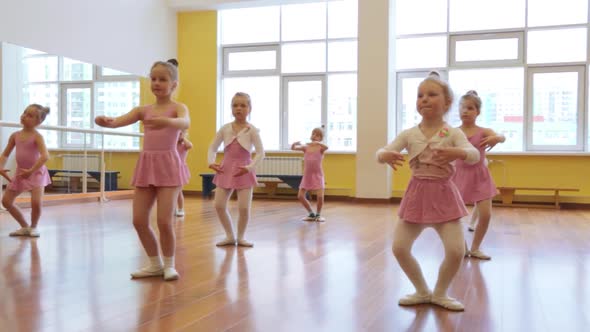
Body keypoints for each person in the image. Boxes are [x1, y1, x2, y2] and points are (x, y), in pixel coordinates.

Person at [376, 72, 479, 311]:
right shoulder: (409, 134)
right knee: (400, 248)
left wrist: (459, 153)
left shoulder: (452, 133)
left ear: (447, 103)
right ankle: (422, 290)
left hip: (444, 196)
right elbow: (382, 151)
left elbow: (472, 154)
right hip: (416, 196)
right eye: (420, 95)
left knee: (456, 251)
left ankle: (441, 293)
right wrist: (384, 156)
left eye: (432, 94)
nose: (424, 99)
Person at [95, 59, 189, 281]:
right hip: (147, 166)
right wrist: (104, 121)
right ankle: (154, 264)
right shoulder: (142, 110)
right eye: (153, 79)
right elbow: (117, 122)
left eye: (162, 79)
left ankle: (169, 265)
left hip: (169, 167)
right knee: (138, 220)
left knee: (164, 221)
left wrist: (167, 122)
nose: (156, 83)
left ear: (173, 84)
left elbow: (185, 122)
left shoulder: (177, 107)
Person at [452, 90, 505, 260]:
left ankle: (475, 248)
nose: (465, 111)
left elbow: (502, 137)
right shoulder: (453, 132)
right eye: (462, 108)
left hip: (480, 176)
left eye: (470, 108)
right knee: (454, 216)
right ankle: (463, 247)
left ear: (478, 112)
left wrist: (496, 138)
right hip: (457, 176)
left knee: (486, 215)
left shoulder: (483, 131)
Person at [208, 92, 265, 247]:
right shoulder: (225, 128)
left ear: (249, 109)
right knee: (219, 205)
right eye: (235, 105)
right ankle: (229, 236)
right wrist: (211, 162)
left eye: (243, 105)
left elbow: (261, 152)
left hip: (244, 170)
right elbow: (213, 147)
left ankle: (241, 237)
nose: (238, 108)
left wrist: (249, 167)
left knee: (244, 208)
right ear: (231, 108)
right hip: (225, 169)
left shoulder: (252, 130)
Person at [0, 104, 51, 237]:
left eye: (29, 115)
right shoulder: (15, 135)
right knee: (6, 202)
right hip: (21, 173)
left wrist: (31, 170)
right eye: (24, 113)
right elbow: (5, 154)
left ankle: (34, 227)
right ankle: (24, 226)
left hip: (37, 173)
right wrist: (1, 166)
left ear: (38, 122)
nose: (24, 116)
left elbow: (45, 156)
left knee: (36, 202)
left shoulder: (37, 137)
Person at [290, 128, 328, 222]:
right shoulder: (306, 147)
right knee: (300, 196)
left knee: (320, 196)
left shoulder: (320, 148)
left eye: (317, 135)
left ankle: (318, 215)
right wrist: (294, 144)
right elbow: (293, 148)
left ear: (321, 138)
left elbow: (326, 147)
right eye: (313, 134)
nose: (314, 136)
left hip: (318, 175)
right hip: (307, 175)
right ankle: (311, 214)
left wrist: (318, 143)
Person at [175, 130, 192, 217]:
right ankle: (173, 208)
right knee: (170, 192)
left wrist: (183, 137)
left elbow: (190, 145)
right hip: (170, 170)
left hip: (180, 170)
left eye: (180, 134)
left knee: (178, 191)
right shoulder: (172, 145)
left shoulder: (184, 145)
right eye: (177, 134)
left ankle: (181, 209)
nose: (178, 135)